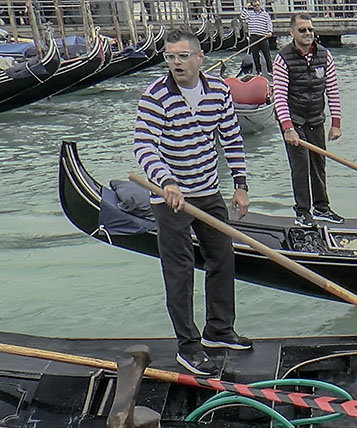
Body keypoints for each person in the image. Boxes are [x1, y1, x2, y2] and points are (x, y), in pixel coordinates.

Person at [133, 28, 252, 376]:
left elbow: (231, 138)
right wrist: (167, 181)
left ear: (200, 58)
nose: (176, 63)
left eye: (183, 56)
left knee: (223, 259)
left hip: (208, 190)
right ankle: (188, 346)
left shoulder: (218, 91)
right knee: (180, 271)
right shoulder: (155, 95)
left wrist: (241, 185)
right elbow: (144, 145)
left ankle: (219, 331)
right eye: (170, 57)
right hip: (169, 198)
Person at [272, 13, 344, 228]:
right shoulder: (282, 59)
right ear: (292, 33)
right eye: (302, 30)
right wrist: (288, 128)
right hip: (293, 120)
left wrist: (336, 123)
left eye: (310, 29)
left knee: (318, 163)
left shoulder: (325, 56)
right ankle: (302, 211)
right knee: (300, 165)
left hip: (315, 118)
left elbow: (332, 90)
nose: (307, 33)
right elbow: (280, 97)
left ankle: (321, 207)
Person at [240, 0, 273, 75]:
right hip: (253, 37)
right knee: (255, 55)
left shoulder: (265, 14)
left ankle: (270, 70)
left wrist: (270, 31)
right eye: (255, 6)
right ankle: (258, 71)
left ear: (260, 5)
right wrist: (246, 7)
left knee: (267, 54)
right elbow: (242, 17)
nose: (256, 7)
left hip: (263, 37)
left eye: (257, 5)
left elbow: (269, 23)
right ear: (253, 7)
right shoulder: (250, 14)